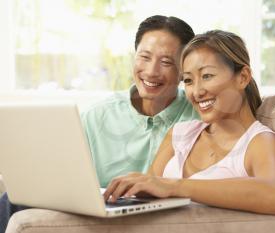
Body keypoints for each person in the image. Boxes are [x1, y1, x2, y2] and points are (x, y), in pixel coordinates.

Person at [0, 15, 198, 233]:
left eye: (166, 62)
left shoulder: (200, 115)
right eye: (144, 57)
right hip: (103, 211)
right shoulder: (98, 115)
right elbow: (65, 174)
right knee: (14, 197)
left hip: (167, 214)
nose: (151, 71)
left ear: (184, 70)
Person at [102, 30, 275, 215]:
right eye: (188, 80)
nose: (196, 92)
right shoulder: (179, 134)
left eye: (207, 76)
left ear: (243, 77)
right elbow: (151, 192)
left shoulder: (259, 142)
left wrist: (173, 186)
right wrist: (133, 187)